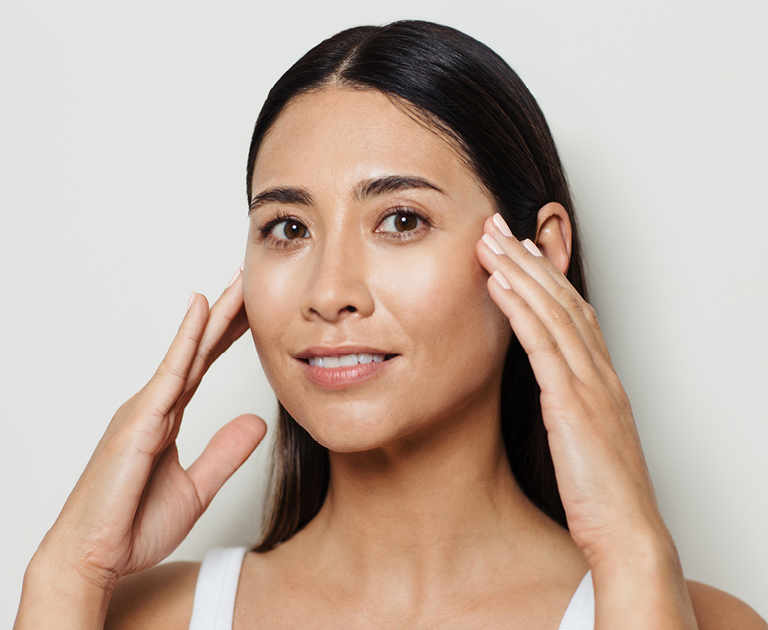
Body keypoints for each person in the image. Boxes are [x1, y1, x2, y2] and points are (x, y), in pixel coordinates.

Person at [13, 20, 766, 630]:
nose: (328, 292)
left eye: (401, 220)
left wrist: (631, 549)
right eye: (288, 228)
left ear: (540, 253)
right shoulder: (136, 617)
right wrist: (67, 571)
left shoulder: (690, 615)